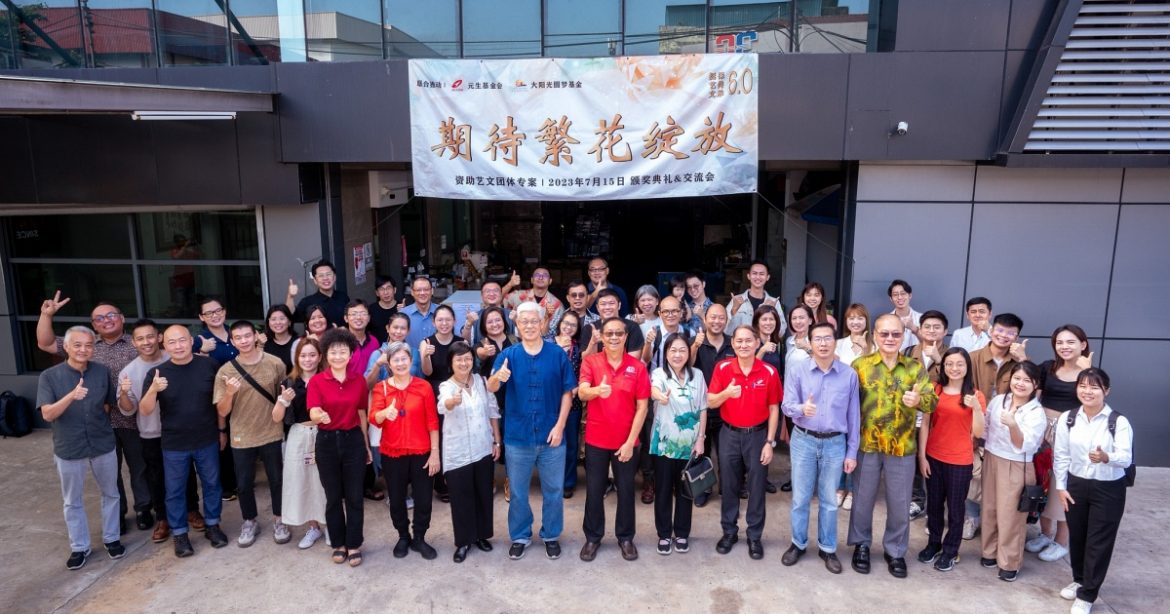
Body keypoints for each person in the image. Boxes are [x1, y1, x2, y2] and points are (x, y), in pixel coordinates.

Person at [37, 292, 146, 535]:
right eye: (99, 318)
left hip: (134, 418)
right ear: (93, 325)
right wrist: (46, 315)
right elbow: (45, 343)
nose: (106, 320)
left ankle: (144, 509)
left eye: (111, 315)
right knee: (111, 474)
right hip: (101, 423)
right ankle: (118, 515)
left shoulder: (136, 342)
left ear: (122, 318)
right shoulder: (85, 344)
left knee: (140, 467)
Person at [847, 314, 937, 579]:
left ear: (903, 336)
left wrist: (919, 400)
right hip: (867, 444)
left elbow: (933, 402)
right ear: (874, 335)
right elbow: (848, 405)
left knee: (900, 503)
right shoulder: (859, 366)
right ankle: (861, 545)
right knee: (862, 499)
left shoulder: (914, 368)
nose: (889, 338)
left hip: (902, 447)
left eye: (895, 334)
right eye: (884, 333)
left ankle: (895, 551)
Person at [487, 302, 576, 561]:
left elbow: (568, 392)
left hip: (552, 435)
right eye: (523, 321)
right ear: (517, 325)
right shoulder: (508, 355)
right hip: (518, 436)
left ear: (542, 323)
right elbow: (491, 387)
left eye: (533, 321)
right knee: (517, 492)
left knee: (553, 491)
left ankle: (551, 534)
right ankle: (520, 535)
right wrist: (498, 377)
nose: (528, 325)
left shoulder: (557, 354)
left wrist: (560, 426)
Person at [139, 325, 231, 557]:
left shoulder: (209, 365)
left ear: (191, 341)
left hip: (207, 438)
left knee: (212, 484)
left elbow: (219, 402)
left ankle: (213, 525)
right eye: (172, 342)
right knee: (175, 490)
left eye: (182, 340)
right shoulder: (157, 373)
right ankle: (180, 534)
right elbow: (145, 410)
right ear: (164, 345)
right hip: (174, 443)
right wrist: (153, 390)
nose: (178, 346)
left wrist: (222, 430)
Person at [37, 326, 124, 570]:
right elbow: (47, 414)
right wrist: (71, 396)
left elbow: (107, 405)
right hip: (69, 447)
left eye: (88, 345)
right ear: (66, 347)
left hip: (102, 443)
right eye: (77, 345)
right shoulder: (49, 376)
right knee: (72, 500)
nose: (83, 349)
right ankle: (79, 547)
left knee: (111, 493)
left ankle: (112, 538)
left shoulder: (102, 371)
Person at [779, 321, 860, 574]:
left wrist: (852, 452)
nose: (823, 343)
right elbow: (786, 405)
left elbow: (854, 417)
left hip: (835, 443)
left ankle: (827, 548)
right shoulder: (798, 371)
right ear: (810, 343)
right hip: (803, 440)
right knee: (800, 498)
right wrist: (801, 409)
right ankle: (798, 543)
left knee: (829, 500)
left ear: (835, 342)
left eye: (828, 338)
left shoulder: (849, 375)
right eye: (818, 339)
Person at [1054, 368, 1132, 614]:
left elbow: (1126, 458)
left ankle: (1087, 595)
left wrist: (1106, 457)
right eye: (1083, 386)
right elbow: (1061, 455)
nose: (1087, 391)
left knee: (1098, 541)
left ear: (1106, 391)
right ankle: (1079, 580)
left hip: (1108, 488)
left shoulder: (1118, 422)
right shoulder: (1068, 418)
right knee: (1078, 536)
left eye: (1094, 387)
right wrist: (1061, 486)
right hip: (1076, 484)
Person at [117, 319, 202, 543]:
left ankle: (192, 510)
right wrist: (124, 393)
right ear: (133, 342)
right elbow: (128, 410)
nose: (146, 342)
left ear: (159, 337)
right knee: (156, 476)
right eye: (140, 338)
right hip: (152, 432)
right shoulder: (129, 371)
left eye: (150, 336)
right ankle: (163, 518)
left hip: (181, 430)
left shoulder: (174, 357)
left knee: (187, 473)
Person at [577, 317, 652, 562]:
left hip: (626, 442)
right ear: (602, 336)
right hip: (596, 439)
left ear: (626, 336)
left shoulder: (637, 367)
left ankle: (626, 537)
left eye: (618, 333)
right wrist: (597, 390)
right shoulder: (591, 361)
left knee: (626, 490)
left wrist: (630, 442)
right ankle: (593, 537)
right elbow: (582, 392)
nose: (613, 338)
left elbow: (642, 407)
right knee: (594, 490)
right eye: (609, 333)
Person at [707, 325, 782, 561]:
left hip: (758, 435)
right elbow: (710, 402)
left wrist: (770, 442)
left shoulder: (768, 371)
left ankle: (754, 536)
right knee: (729, 485)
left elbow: (774, 408)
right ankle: (729, 532)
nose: (743, 345)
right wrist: (726, 394)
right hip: (729, 434)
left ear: (757, 343)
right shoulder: (722, 368)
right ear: (733, 343)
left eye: (748, 341)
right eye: (738, 341)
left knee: (757, 486)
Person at [213, 320, 289, 547]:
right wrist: (229, 392)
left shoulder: (275, 363)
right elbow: (222, 411)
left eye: (247, 336)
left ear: (256, 336)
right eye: (238, 338)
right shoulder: (225, 371)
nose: (244, 341)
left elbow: (283, 397)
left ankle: (280, 519)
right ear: (232, 341)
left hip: (271, 431)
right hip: (241, 435)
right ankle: (249, 521)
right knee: (244, 483)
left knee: (277, 480)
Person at [916, 348, 985, 572]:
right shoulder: (935, 389)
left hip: (960, 460)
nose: (954, 368)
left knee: (956, 509)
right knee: (934, 506)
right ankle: (934, 543)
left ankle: (951, 551)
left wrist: (976, 408)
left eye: (959, 364)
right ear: (943, 366)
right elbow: (925, 424)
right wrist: (922, 456)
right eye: (949, 364)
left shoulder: (975, 395)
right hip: (934, 456)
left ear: (967, 367)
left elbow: (978, 432)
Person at [306, 328, 371, 567]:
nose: (338, 356)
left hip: (353, 440)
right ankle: (338, 543)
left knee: (354, 496)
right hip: (326, 442)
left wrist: (366, 445)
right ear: (325, 354)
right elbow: (313, 411)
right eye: (333, 352)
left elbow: (362, 413)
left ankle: (354, 543)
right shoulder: (317, 381)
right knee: (333, 497)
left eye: (343, 351)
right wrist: (319, 415)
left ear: (351, 354)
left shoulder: (359, 380)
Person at [1029, 325, 1094, 563]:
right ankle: (1045, 534)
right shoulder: (1048, 367)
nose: (1064, 347)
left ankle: (1061, 541)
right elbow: (1034, 394)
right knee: (1043, 483)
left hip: (1071, 434)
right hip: (1043, 431)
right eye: (1059, 342)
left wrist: (1087, 373)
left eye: (1070, 342)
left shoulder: (1090, 374)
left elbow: (1092, 403)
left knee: (1063, 485)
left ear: (1083, 345)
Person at [372, 341, 441, 561]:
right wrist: (385, 413)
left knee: (424, 499)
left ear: (411, 361)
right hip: (392, 453)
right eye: (396, 360)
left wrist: (435, 453)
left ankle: (419, 537)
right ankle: (403, 536)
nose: (400, 363)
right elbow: (374, 418)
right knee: (397, 499)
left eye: (404, 359)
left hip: (421, 452)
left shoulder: (423, 387)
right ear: (389, 364)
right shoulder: (381, 388)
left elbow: (432, 422)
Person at [980, 361, 1047, 582]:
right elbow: (985, 429)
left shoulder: (1036, 412)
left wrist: (1012, 424)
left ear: (1035, 385)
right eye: (1017, 378)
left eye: (1027, 380)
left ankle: (1010, 562)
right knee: (989, 508)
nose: (1020, 383)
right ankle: (989, 552)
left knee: (1011, 515)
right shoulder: (999, 400)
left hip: (1016, 464)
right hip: (992, 457)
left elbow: (1023, 445)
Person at [438, 341, 501, 563]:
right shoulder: (446, 386)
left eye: (467, 358)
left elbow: (493, 411)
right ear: (451, 363)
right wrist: (452, 401)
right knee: (461, 497)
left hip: (483, 447)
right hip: (458, 451)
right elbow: (442, 405)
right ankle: (464, 541)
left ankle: (481, 536)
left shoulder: (482, 382)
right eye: (459, 359)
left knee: (483, 494)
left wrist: (497, 441)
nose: (464, 363)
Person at [967, 312, 1028, 539]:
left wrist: (1023, 360)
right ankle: (971, 517)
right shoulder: (973, 358)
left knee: (1001, 476)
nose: (1004, 335)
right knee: (974, 474)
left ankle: (993, 521)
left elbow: (1032, 389)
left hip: (1006, 427)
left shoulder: (1019, 362)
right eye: (1000, 330)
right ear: (991, 330)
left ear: (1017, 337)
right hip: (976, 423)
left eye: (1011, 333)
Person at [647, 333, 707, 555]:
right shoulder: (659, 374)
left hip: (689, 445)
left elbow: (703, 408)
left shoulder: (698, 375)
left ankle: (682, 533)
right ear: (666, 353)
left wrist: (700, 439)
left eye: (682, 350)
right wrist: (660, 397)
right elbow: (653, 390)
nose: (678, 354)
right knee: (663, 490)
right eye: (673, 350)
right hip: (664, 444)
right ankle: (664, 534)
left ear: (689, 353)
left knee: (685, 491)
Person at [271, 338, 327, 550]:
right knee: (303, 482)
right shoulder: (289, 382)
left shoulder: (327, 379)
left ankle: (331, 525)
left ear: (320, 357)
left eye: (312, 355)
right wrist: (283, 400)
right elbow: (276, 417)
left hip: (324, 433)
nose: (308, 359)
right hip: (299, 435)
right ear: (297, 358)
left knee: (325, 481)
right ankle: (313, 527)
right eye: (303, 355)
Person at [903, 309, 950, 520]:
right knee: (913, 459)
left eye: (937, 327)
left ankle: (936, 508)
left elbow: (956, 383)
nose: (931, 331)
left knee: (936, 462)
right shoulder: (908, 352)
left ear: (945, 331)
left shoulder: (952, 355)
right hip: (911, 415)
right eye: (927, 327)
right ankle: (916, 500)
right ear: (920, 330)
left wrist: (939, 360)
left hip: (939, 417)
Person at [194, 296, 239, 502]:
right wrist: (202, 352)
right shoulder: (199, 340)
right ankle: (226, 485)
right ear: (201, 317)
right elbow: (189, 367)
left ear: (225, 311)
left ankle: (240, 480)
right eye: (209, 313)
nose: (215, 315)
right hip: (214, 398)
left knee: (239, 437)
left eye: (218, 310)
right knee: (222, 440)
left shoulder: (235, 333)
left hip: (242, 396)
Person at [690, 304, 734, 508]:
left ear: (726, 320)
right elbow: (686, 367)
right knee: (701, 451)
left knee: (727, 453)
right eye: (713, 317)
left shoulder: (733, 343)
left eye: (721, 317)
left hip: (727, 408)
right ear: (705, 319)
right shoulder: (695, 341)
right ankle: (703, 488)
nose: (717, 321)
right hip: (701, 408)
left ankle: (728, 487)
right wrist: (695, 346)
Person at [477, 306, 517, 499]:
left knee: (510, 440)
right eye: (490, 321)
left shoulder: (515, 340)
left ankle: (510, 480)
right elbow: (477, 358)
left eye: (498, 320)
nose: (495, 324)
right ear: (484, 326)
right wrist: (483, 353)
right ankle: (489, 479)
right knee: (489, 439)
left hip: (513, 398)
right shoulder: (482, 343)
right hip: (489, 399)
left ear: (504, 321)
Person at [546, 311, 584, 499]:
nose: (568, 327)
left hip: (573, 403)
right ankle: (550, 482)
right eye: (566, 323)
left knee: (570, 445)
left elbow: (583, 373)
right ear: (559, 323)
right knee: (549, 444)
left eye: (573, 325)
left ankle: (568, 482)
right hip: (549, 402)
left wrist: (576, 388)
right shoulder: (547, 343)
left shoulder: (578, 349)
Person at [581, 289, 645, 358]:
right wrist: (593, 342)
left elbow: (634, 359)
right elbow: (585, 359)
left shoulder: (632, 327)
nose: (607, 307)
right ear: (597, 307)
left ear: (619, 305)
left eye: (611, 303)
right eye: (603, 304)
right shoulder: (589, 328)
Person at [727, 260, 785, 335]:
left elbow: (781, 333)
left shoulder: (774, 302)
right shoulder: (736, 300)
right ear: (748, 276)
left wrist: (772, 313)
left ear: (767, 277)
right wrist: (733, 311)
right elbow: (726, 331)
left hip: (765, 342)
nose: (758, 277)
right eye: (754, 273)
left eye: (761, 274)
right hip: (743, 342)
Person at [287, 260, 350, 328]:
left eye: (328, 274)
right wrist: (290, 296)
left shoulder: (343, 297)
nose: (325, 278)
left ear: (334, 277)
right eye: (321, 275)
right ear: (315, 280)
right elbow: (289, 316)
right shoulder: (307, 302)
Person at [503, 267, 565, 336]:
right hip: (518, 340)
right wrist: (510, 284)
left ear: (550, 281)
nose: (540, 278)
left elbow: (555, 332)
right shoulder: (518, 295)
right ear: (532, 280)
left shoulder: (556, 304)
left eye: (545, 275)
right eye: (537, 275)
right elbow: (497, 300)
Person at [402, 277, 438, 348]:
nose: (422, 293)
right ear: (412, 292)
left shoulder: (442, 312)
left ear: (432, 291)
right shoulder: (403, 314)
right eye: (418, 290)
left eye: (426, 289)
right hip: (411, 355)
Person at [563, 279, 600, 347]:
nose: (577, 298)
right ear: (568, 298)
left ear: (587, 297)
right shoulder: (559, 318)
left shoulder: (598, 319)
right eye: (574, 295)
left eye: (581, 295)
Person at [835, 303, 874, 368]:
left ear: (866, 321)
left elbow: (873, 370)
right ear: (846, 321)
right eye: (851, 318)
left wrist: (865, 349)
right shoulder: (838, 344)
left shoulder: (875, 345)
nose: (855, 322)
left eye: (860, 318)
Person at [887, 279, 921, 350]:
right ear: (891, 299)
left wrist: (914, 328)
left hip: (917, 356)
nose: (900, 297)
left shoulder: (921, 318)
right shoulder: (886, 321)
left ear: (910, 295)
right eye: (895, 295)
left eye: (903, 293)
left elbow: (929, 342)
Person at [262, 305, 296, 373]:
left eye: (282, 318)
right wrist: (259, 345)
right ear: (268, 322)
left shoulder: (298, 342)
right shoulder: (264, 342)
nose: (278, 322)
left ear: (289, 321)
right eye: (273, 319)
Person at [369, 276, 400, 344]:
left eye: (388, 288)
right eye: (381, 289)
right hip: (377, 348)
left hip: (399, 348)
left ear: (394, 290)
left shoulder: (402, 308)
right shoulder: (371, 310)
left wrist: (404, 312)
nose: (385, 292)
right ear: (377, 293)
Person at [754, 305, 784, 374]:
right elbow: (749, 369)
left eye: (771, 319)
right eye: (764, 319)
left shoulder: (778, 343)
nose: (768, 323)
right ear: (757, 323)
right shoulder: (751, 342)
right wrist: (762, 350)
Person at [785, 304, 814, 374]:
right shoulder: (789, 341)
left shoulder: (816, 341)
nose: (797, 321)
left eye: (801, 317)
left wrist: (807, 347)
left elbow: (826, 362)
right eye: (794, 318)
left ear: (810, 320)